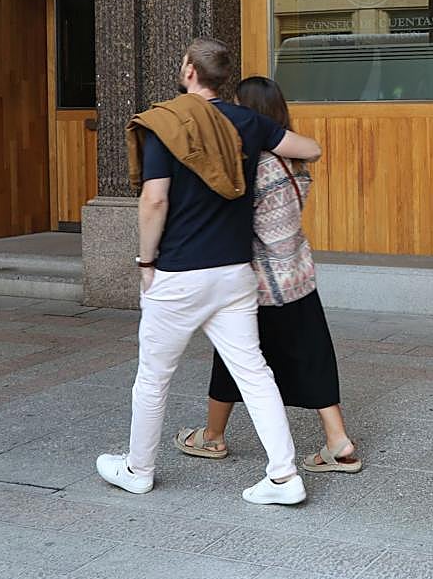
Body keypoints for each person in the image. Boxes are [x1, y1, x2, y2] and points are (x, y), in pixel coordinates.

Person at [96, 38, 322, 505]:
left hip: (179, 272)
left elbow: (154, 199)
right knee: (255, 374)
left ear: (190, 73)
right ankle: (283, 477)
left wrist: (145, 261)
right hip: (235, 273)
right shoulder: (250, 121)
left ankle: (138, 469)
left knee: (154, 377)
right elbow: (311, 150)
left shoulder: (166, 124)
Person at [174, 76, 360, 474]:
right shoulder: (293, 158)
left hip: (260, 280)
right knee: (313, 355)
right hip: (298, 272)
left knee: (232, 356)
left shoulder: (254, 163)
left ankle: (212, 436)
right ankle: (337, 439)